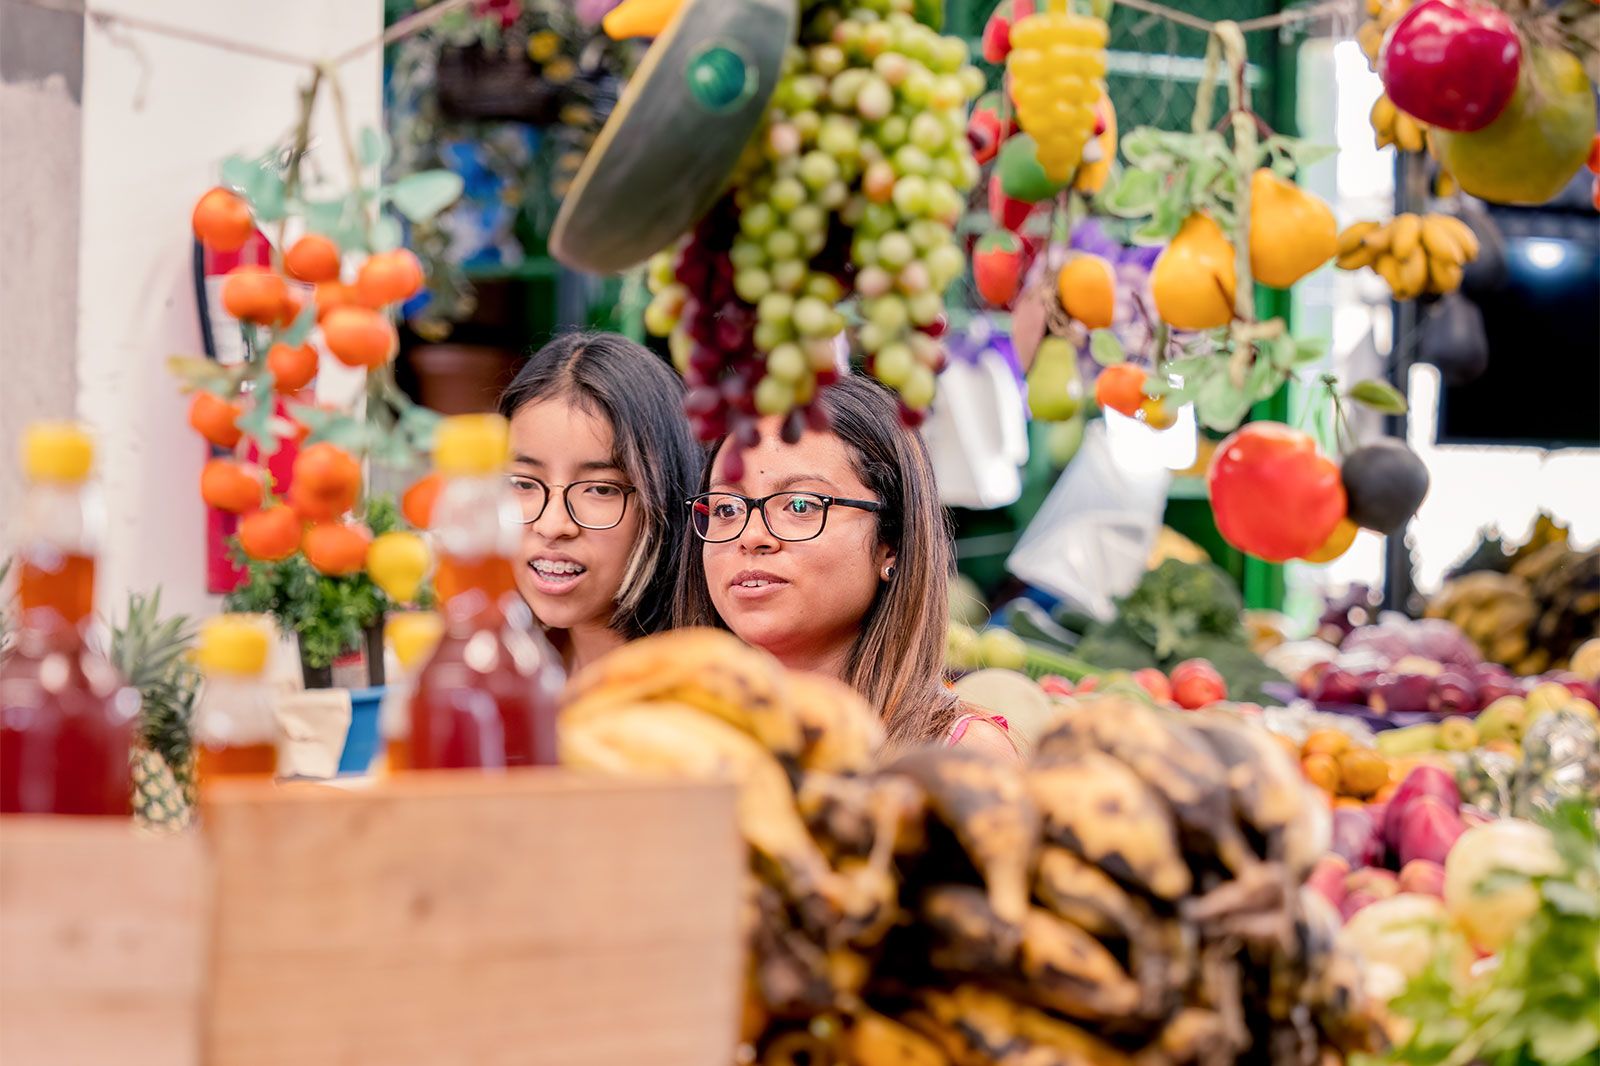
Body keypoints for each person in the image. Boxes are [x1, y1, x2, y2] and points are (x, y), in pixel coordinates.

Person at [674, 374, 1015, 760]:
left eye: (800, 505)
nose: (751, 536)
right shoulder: (668, 738)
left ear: (892, 544)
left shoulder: (963, 755)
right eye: (726, 508)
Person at [498, 331, 702, 673]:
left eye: (600, 489)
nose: (552, 525)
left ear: (665, 500)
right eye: (522, 482)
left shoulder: (693, 701)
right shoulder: (513, 670)